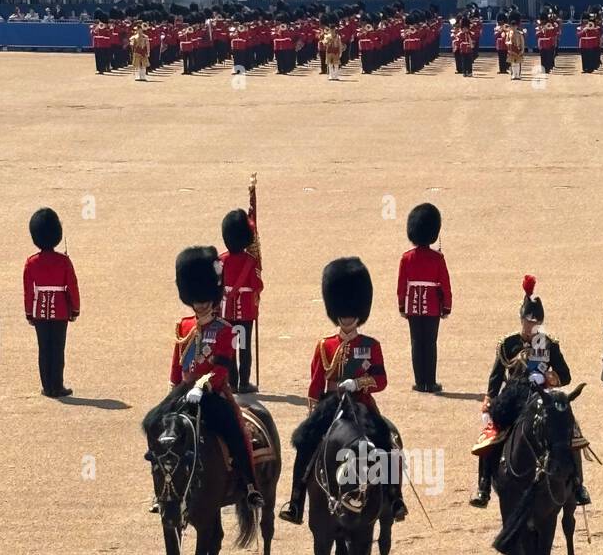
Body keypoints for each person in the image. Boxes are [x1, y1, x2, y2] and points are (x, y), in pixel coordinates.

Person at [279, 257, 406, 525]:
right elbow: (315, 385)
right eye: (343, 312)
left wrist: (358, 384)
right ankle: (296, 500)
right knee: (305, 445)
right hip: (331, 405)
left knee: (386, 440)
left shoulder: (370, 345)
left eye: (351, 313)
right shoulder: (325, 345)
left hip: (360, 404)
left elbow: (381, 379)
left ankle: (395, 498)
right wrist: (314, 416)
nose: (347, 317)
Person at [469, 276, 590, 508]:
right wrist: (489, 399)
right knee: (491, 434)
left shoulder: (549, 344)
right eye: (528, 322)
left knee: (570, 431)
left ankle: (577, 483)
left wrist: (550, 378)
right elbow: (496, 376)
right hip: (513, 396)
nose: (531, 327)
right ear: (521, 319)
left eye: (536, 323)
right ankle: (483, 485)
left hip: (541, 396)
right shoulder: (508, 344)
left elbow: (566, 375)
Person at [169, 247, 262, 509]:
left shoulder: (225, 330)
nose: (200, 303)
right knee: (158, 427)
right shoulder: (183, 326)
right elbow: (177, 364)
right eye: (195, 299)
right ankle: (163, 487)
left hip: (212, 393)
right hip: (183, 392)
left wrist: (202, 385)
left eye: (204, 298)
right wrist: (172, 389)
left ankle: (250, 484)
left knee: (236, 431)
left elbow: (222, 368)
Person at [23, 207, 80, 399]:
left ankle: (47, 386)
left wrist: (29, 313)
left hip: (39, 310)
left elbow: (29, 290)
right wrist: (75, 308)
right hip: (61, 310)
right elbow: (72, 286)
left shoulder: (31, 263)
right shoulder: (63, 261)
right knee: (57, 349)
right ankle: (57, 385)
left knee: (44, 349)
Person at [398, 202, 452, 393]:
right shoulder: (437, 258)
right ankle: (430, 381)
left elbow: (401, 284)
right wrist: (446, 306)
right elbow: (445, 284)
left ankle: (420, 382)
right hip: (432, 306)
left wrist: (402, 306)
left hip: (413, 305)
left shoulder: (407, 258)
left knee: (416, 343)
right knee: (430, 344)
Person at [218, 204, 262, 394]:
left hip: (226, 311)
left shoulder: (221, 260)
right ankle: (244, 382)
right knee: (244, 348)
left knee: (230, 348)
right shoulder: (250, 262)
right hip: (245, 311)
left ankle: (232, 382)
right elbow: (257, 285)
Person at [506, 10, 526, 80]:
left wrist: (522, 49)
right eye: (512, 26)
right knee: (512, 63)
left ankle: (518, 75)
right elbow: (506, 41)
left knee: (518, 62)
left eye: (515, 26)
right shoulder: (509, 33)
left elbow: (522, 42)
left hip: (518, 48)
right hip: (511, 49)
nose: (514, 27)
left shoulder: (520, 33)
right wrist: (509, 44)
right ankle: (513, 74)